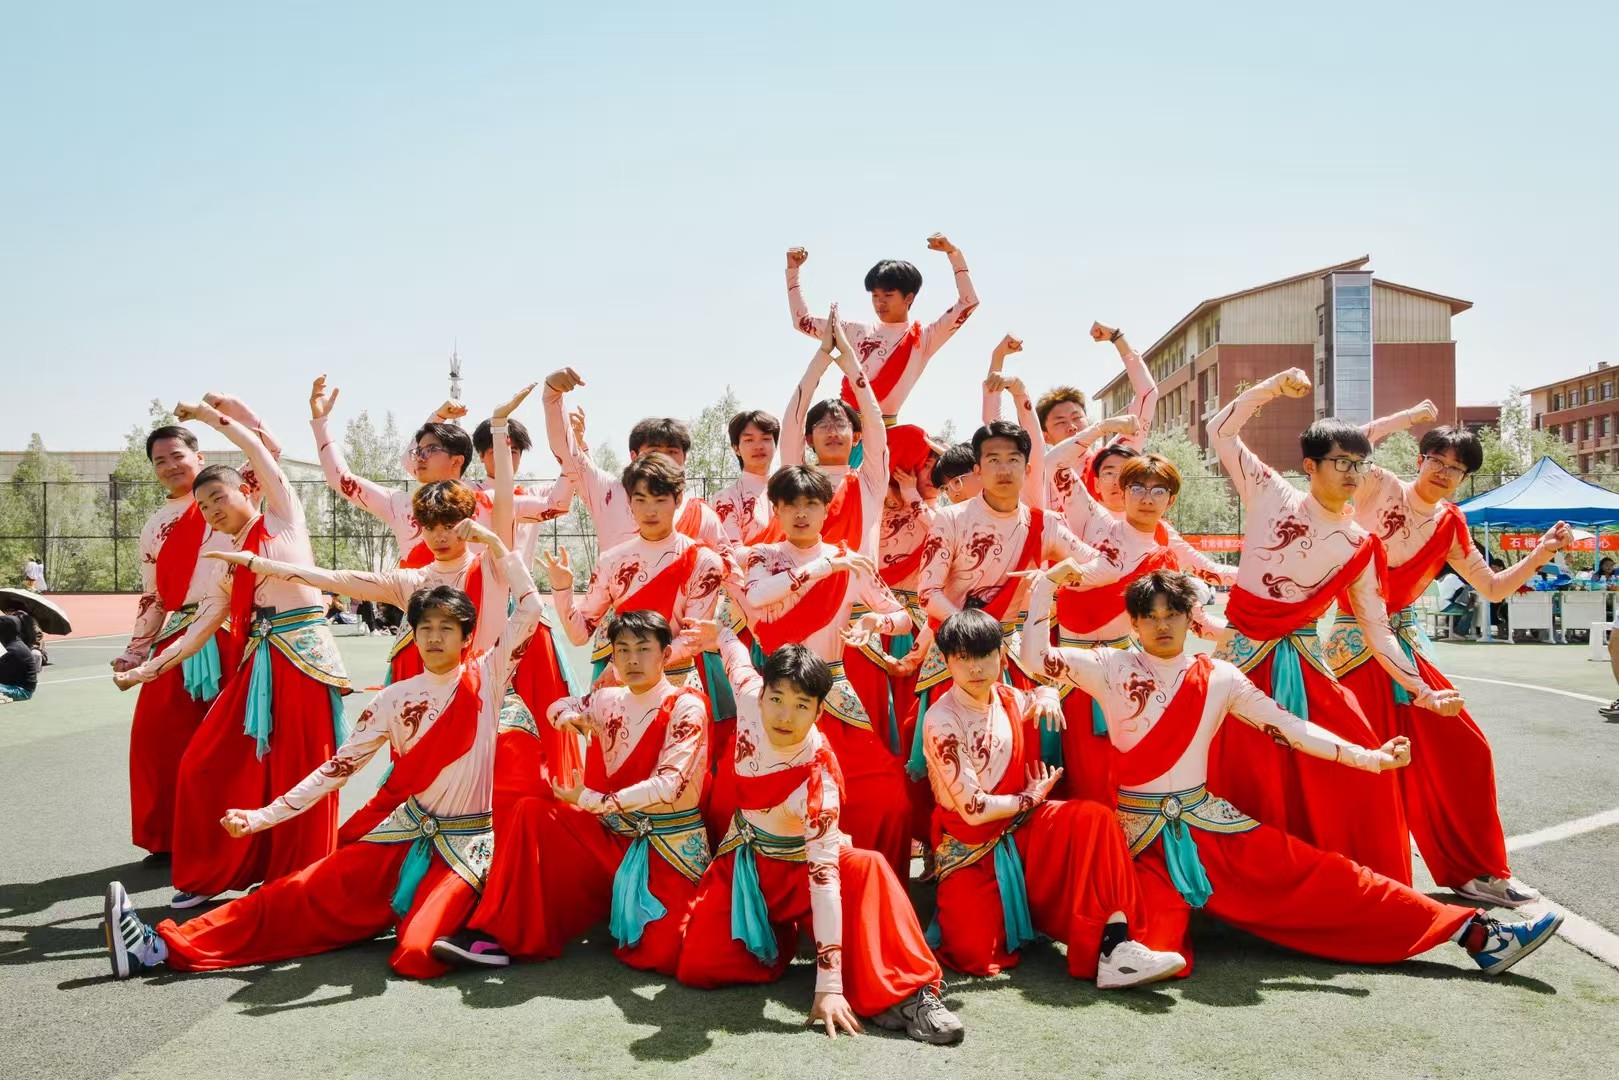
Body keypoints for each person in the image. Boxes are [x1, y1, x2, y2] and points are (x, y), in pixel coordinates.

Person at [1023, 569, 1563, 979]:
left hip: (1213, 827)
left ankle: (1476, 934)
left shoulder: (1220, 676)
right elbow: (1032, 658)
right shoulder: (1109, 666)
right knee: (1154, 950)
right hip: (1141, 843)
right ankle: (1127, 945)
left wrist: (1369, 758)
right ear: (1134, 622)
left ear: (1191, 619)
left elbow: (1291, 728)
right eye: (1150, 616)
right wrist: (1046, 587)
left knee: (1329, 878)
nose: (1162, 625)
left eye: (1173, 614)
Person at [104, 529, 545, 982]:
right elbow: (334, 771)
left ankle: (467, 924)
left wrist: (496, 545)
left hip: (465, 849)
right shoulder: (391, 700)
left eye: (446, 629)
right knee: (301, 891)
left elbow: (531, 608)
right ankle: (157, 947)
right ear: (411, 635)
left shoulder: (489, 676)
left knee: (416, 951)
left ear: (467, 636)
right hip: (403, 835)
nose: (435, 638)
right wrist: (261, 817)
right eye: (425, 628)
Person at [1202, 367, 1462, 884]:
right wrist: (1272, 388)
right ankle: (1235, 885)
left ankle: (1369, 885)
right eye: (1340, 462)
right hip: (1237, 660)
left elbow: (1377, 628)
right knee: (1226, 775)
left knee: (1365, 764)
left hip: (1305, 663)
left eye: (1359, 464)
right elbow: (1220, 430)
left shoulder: (1360, 546)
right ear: (1310, 465)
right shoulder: (1269, 492)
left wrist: (1422, 690)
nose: (1351, 473)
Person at [113, 395, 350, 909]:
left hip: (305, 662)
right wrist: (143, 669)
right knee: (202, 760)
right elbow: (198, 627)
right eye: (203, 506)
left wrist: (211, 415)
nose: (211, 511)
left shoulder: (283, 516)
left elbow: (259, 448)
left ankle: (296, 878)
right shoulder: (221, 559)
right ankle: (210, 871)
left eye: (218, 498)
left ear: (246, 488)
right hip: (255, 663)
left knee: (299, 770)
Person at [675, 633, 964, 1046]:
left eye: (801, 705)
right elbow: (737, 660)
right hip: (747, 865)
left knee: (869, 868)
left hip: (806, 872)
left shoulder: (818, 781)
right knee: (698, 966)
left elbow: (824, 882)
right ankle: (780, 939)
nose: (784, 715)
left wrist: (828, 988)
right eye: (777, 699)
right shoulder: (750, 697)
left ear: (820, 711)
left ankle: (912, 994)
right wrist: (718, 634)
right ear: (763, 695)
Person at [1330, 413, 1571, 906]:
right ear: (1421, 460)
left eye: (1456, 468)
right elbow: (1350, 445)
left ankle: (1476, 871)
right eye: (1437, 460)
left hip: (1404, 646)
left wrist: (1542, 552)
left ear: (1464, 477)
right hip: (1353, 648)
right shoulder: (1378, 485)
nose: (1443, 472)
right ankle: (1364, 883)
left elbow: (1493, 588)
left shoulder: (1450, 524)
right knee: (1367, 764)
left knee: (1467, 750)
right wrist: (1408, 418)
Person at [921, 608, 1186, 988]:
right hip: (971, 849)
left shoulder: (1007, 696)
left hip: (1021, 830)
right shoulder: (941, 719)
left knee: (1094, 818)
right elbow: (975, 809)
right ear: (946, 661)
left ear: (1001, 655)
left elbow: (1038, 692)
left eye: (984, 655)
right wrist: (1029, 798)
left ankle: (1116, 946)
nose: (975, 667)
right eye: (963, 657)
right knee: (974, 954)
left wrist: (1048, 696)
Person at [437, 610, 711, 971]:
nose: (632, 659)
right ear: (612, 657)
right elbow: (560, 705)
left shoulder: (687, 707)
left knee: (666, 955)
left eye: (643, 649)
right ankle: (499, 933)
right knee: (531, 812)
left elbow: (669, 786)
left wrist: (588, 799)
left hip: (667, 847)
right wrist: (568, 718)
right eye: (623, 650)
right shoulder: (608, 699)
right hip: (611, 838)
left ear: (665, 654)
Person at [724, 465, 915, 879]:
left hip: (834, 695)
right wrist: (824, 568)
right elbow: (756, 597)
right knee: (740, 796)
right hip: (777, 698)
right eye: (790, 504)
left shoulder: (853, 563)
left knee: (888, 799)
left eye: (811, 503)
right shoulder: (764, 556)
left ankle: (866, 881)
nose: (801, 513)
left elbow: (902, 618)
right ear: (776, 510)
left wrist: (875, 622)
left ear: (827, 509)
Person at [1048, 453, 1237, 806]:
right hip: (1069, 669)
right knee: (1073, 775)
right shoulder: (1095, 524)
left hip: (1124, 675)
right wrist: (1105, 428)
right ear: (1122, 491)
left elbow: (1207, 580)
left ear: (1171, 500)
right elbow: (1054, 463)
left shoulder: (1164, 548)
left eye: (1158, 490)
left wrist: (1266, 588)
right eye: (1137, 488)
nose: (1147, 498)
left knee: (1118, 777)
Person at [915, 420, 1112, 726]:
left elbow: (1105, 567)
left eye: (1013, 460)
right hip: (957, 654)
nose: (1004, 469)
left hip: (1009, 651)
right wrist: (977, 635)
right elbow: (928, 594)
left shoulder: (1045, 525)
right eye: (993, 460)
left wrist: (1056, 578)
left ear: (1027, 468)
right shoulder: (950, 519)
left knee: (1023, 745)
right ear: (978, 469)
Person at [108, 425, 239, 862]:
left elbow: (269, 451)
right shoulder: (155, 525)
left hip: (234, 631)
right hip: (178, 638)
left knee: (235, 737)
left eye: (177, 455)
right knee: (155, 739)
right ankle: (167, 837)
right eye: (159, 461)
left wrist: (219, 415)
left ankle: (237, 835)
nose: (169, 466)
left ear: (199, 456)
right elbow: (155, 595)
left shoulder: (235, 490)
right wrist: (136, 650)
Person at [543, 453, 727, 691]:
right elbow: (579, 635)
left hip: (676, 686)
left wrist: (621, 670)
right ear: (629, 502)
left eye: (659, 500)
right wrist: (561, 589)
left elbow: (692, 639)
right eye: (640, 499)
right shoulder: (612, 561)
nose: (650, 511)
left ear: (678, 499)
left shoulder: (704, 562)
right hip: (623, 688)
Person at [785, 235, 978, 426]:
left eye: (888, 295)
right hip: (844, 430)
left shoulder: (925, 338)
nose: (880, 302)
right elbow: (803, 322)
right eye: (875, 295)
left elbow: (969, 303)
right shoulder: (853, 330)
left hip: (886, 434)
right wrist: (793, 271)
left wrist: (953, 253)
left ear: (909, 298)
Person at [775, 305, 891, 554]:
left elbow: (874, 421)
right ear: (808, 439)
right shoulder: (799, 479)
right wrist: (822, 356)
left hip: (860, 581)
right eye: (823, 426)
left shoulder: (871, 481)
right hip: (808, 579)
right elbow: (792, 423)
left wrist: (849, 358)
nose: (832, 432)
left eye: (840, 425)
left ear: (857, 437)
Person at [1036, 324, 1157, 518]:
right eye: (1060, 422)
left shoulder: (1111, 459)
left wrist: (1118, 338)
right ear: (1045, 436)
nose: (1072, 426)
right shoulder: (1038, 474)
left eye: (1077, 417)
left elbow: (1147, 395)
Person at [712, 409, 780, 546]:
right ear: (736, 448)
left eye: (766, 439)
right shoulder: (726, 498)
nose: (759, 446)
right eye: (749, 440)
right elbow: (732, 551)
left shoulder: (789, 491)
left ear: (775, 445)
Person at [0, 615, 39, 702]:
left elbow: (3, 674)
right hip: (15, 685)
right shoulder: (13, 643)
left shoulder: (13, 649)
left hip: (22, 691)